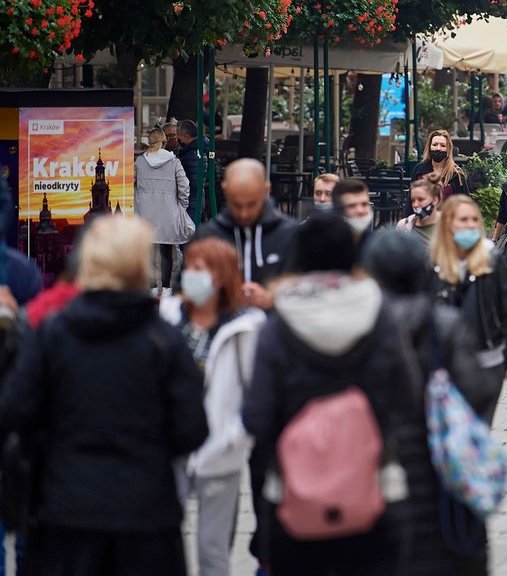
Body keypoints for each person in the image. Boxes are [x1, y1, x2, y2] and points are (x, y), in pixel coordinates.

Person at [0, 215, 207, 575]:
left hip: (65, 510)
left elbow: (16, 410)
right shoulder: (164, 340)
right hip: (145, 512)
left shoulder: (52, 334)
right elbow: (191, 428)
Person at [242, 212, 412, 573]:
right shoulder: (379, 312)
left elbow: (256, 414)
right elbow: (407, 394)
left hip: (293, 492)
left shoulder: (279, 321)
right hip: (372, 486)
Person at [359, 232, 492, 576]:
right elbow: (478, 392)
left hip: (376, 480)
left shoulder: (360, 331)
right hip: (443, 480)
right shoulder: (443, 325)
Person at [160, 237, 265, 576]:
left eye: (200, 270)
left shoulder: (246, 327)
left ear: (221, 276)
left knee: (211, 549)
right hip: (171, 448)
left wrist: (236, 438)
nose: (191, 276)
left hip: (221, 449)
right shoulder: (169, 315)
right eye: (189, 267)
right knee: (162, 541)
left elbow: (257, 394)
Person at [429, 195, 507, 422]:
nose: (470, 225)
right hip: (447, 365)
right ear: (449, 223)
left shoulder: (492, 261)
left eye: (474, 220)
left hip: (487, 360)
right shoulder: (434, 264)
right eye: (463, 220)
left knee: (478, 428)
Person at [194, 158, 297, 310]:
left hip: (275, 327)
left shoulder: (290, 234)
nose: (244, 214)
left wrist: (274, 299)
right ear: (225, 190)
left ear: (266, 190)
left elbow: (307, 292)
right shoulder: (207, 235)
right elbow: (186, 292)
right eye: (236, 204)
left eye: (251, 204)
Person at [135, 125, 195, 293]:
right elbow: (184, 185)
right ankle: (167, 288)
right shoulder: (174, 161)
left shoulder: (139, 161)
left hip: (145, 211)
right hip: (168, 211)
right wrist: (181, 205)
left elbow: (131, 182)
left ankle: (152, 287)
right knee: (166, 250)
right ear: (163, 140)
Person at [412, 129, 473, 201]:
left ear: (448, 149)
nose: (438, 148)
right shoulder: (419, 169)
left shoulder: (457, 175)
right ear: (429, 147)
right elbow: (411, 198)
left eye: (443, 145)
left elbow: (464, 203)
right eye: (434, 145)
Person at [398, 176, 444, 253]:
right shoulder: (403, 225)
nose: (415, 205)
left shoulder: (450, 224)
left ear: (435, 200)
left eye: (421, 199)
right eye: (413, 200)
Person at [333, 176, 376, 250]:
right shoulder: (324, 245)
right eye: (351, 206)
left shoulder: (375, 245)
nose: (360, 210)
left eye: (364, 204)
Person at [176, 118, 203, 222]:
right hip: (197, 199)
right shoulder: (198, 149)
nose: (178, 138)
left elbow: (193, 181)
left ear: (186, 136)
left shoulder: (190, 154)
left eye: (179, 135)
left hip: (192, 200)